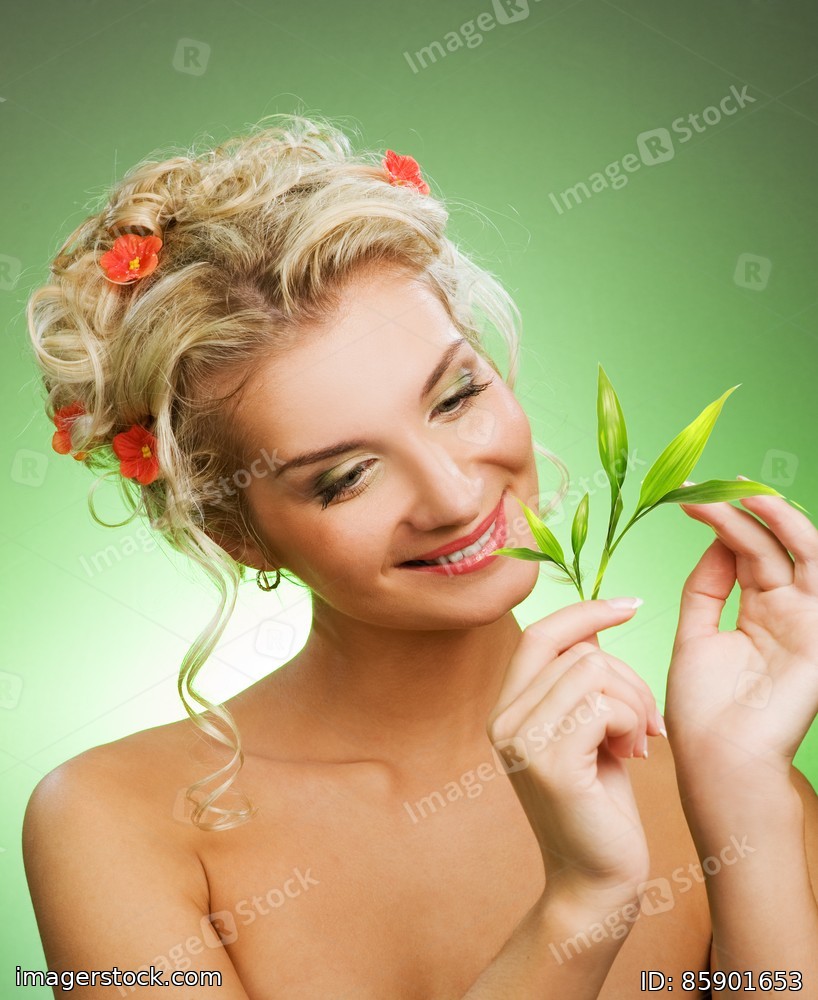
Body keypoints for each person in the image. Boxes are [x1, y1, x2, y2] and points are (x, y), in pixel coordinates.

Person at [22, 114, 818, 999]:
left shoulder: (718, 787)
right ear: (233, 533)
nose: (452, 495)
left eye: (455, 397)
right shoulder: (112, 820)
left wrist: (746, 800)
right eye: (347, 476)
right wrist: (582, 901)